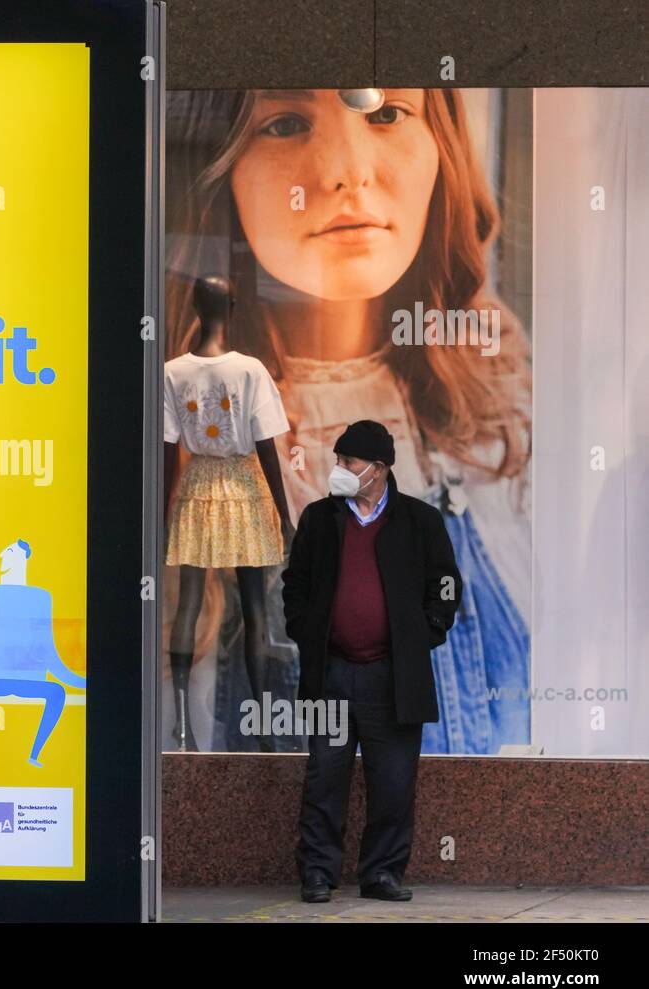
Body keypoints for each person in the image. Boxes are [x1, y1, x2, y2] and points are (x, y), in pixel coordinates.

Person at [166, 88, 531, 755]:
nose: (348, 171)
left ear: (441, 144)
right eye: (284, 123)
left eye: (387, 114)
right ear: (214, 165)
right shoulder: (184, 438)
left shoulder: (492, 416)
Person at [282, 420, 461, 902]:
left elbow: (445, 586)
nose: (338, 469)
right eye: (338, 460)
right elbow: (294, 585)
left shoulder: (421, 522)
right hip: (332, 674)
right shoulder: (320, 520)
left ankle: (381, 873)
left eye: (349, 462)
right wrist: (304, 631)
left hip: (393, 677)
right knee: (325, 777)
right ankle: (318, 873)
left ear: (378, 469)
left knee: (394, 781)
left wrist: (423, 635)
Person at [164, 275, 293, 752]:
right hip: (243, 485)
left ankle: (182, 722)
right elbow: (266, 446)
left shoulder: (173, 370)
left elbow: (165, 452)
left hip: (197, 485)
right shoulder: (249, 369)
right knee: (256, 610)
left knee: (189, 605)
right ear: (232, 306)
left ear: (196, 306)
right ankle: (259, 726)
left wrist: (163, 517)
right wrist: (284, 511)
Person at [0, 539, 85, 767]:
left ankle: (34, 755)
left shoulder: (41, 597)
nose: (1, 555)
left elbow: (48, 650)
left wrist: (82, 682)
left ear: (22, 557)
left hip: (30, 682)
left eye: (8, 551)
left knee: (57, 692)